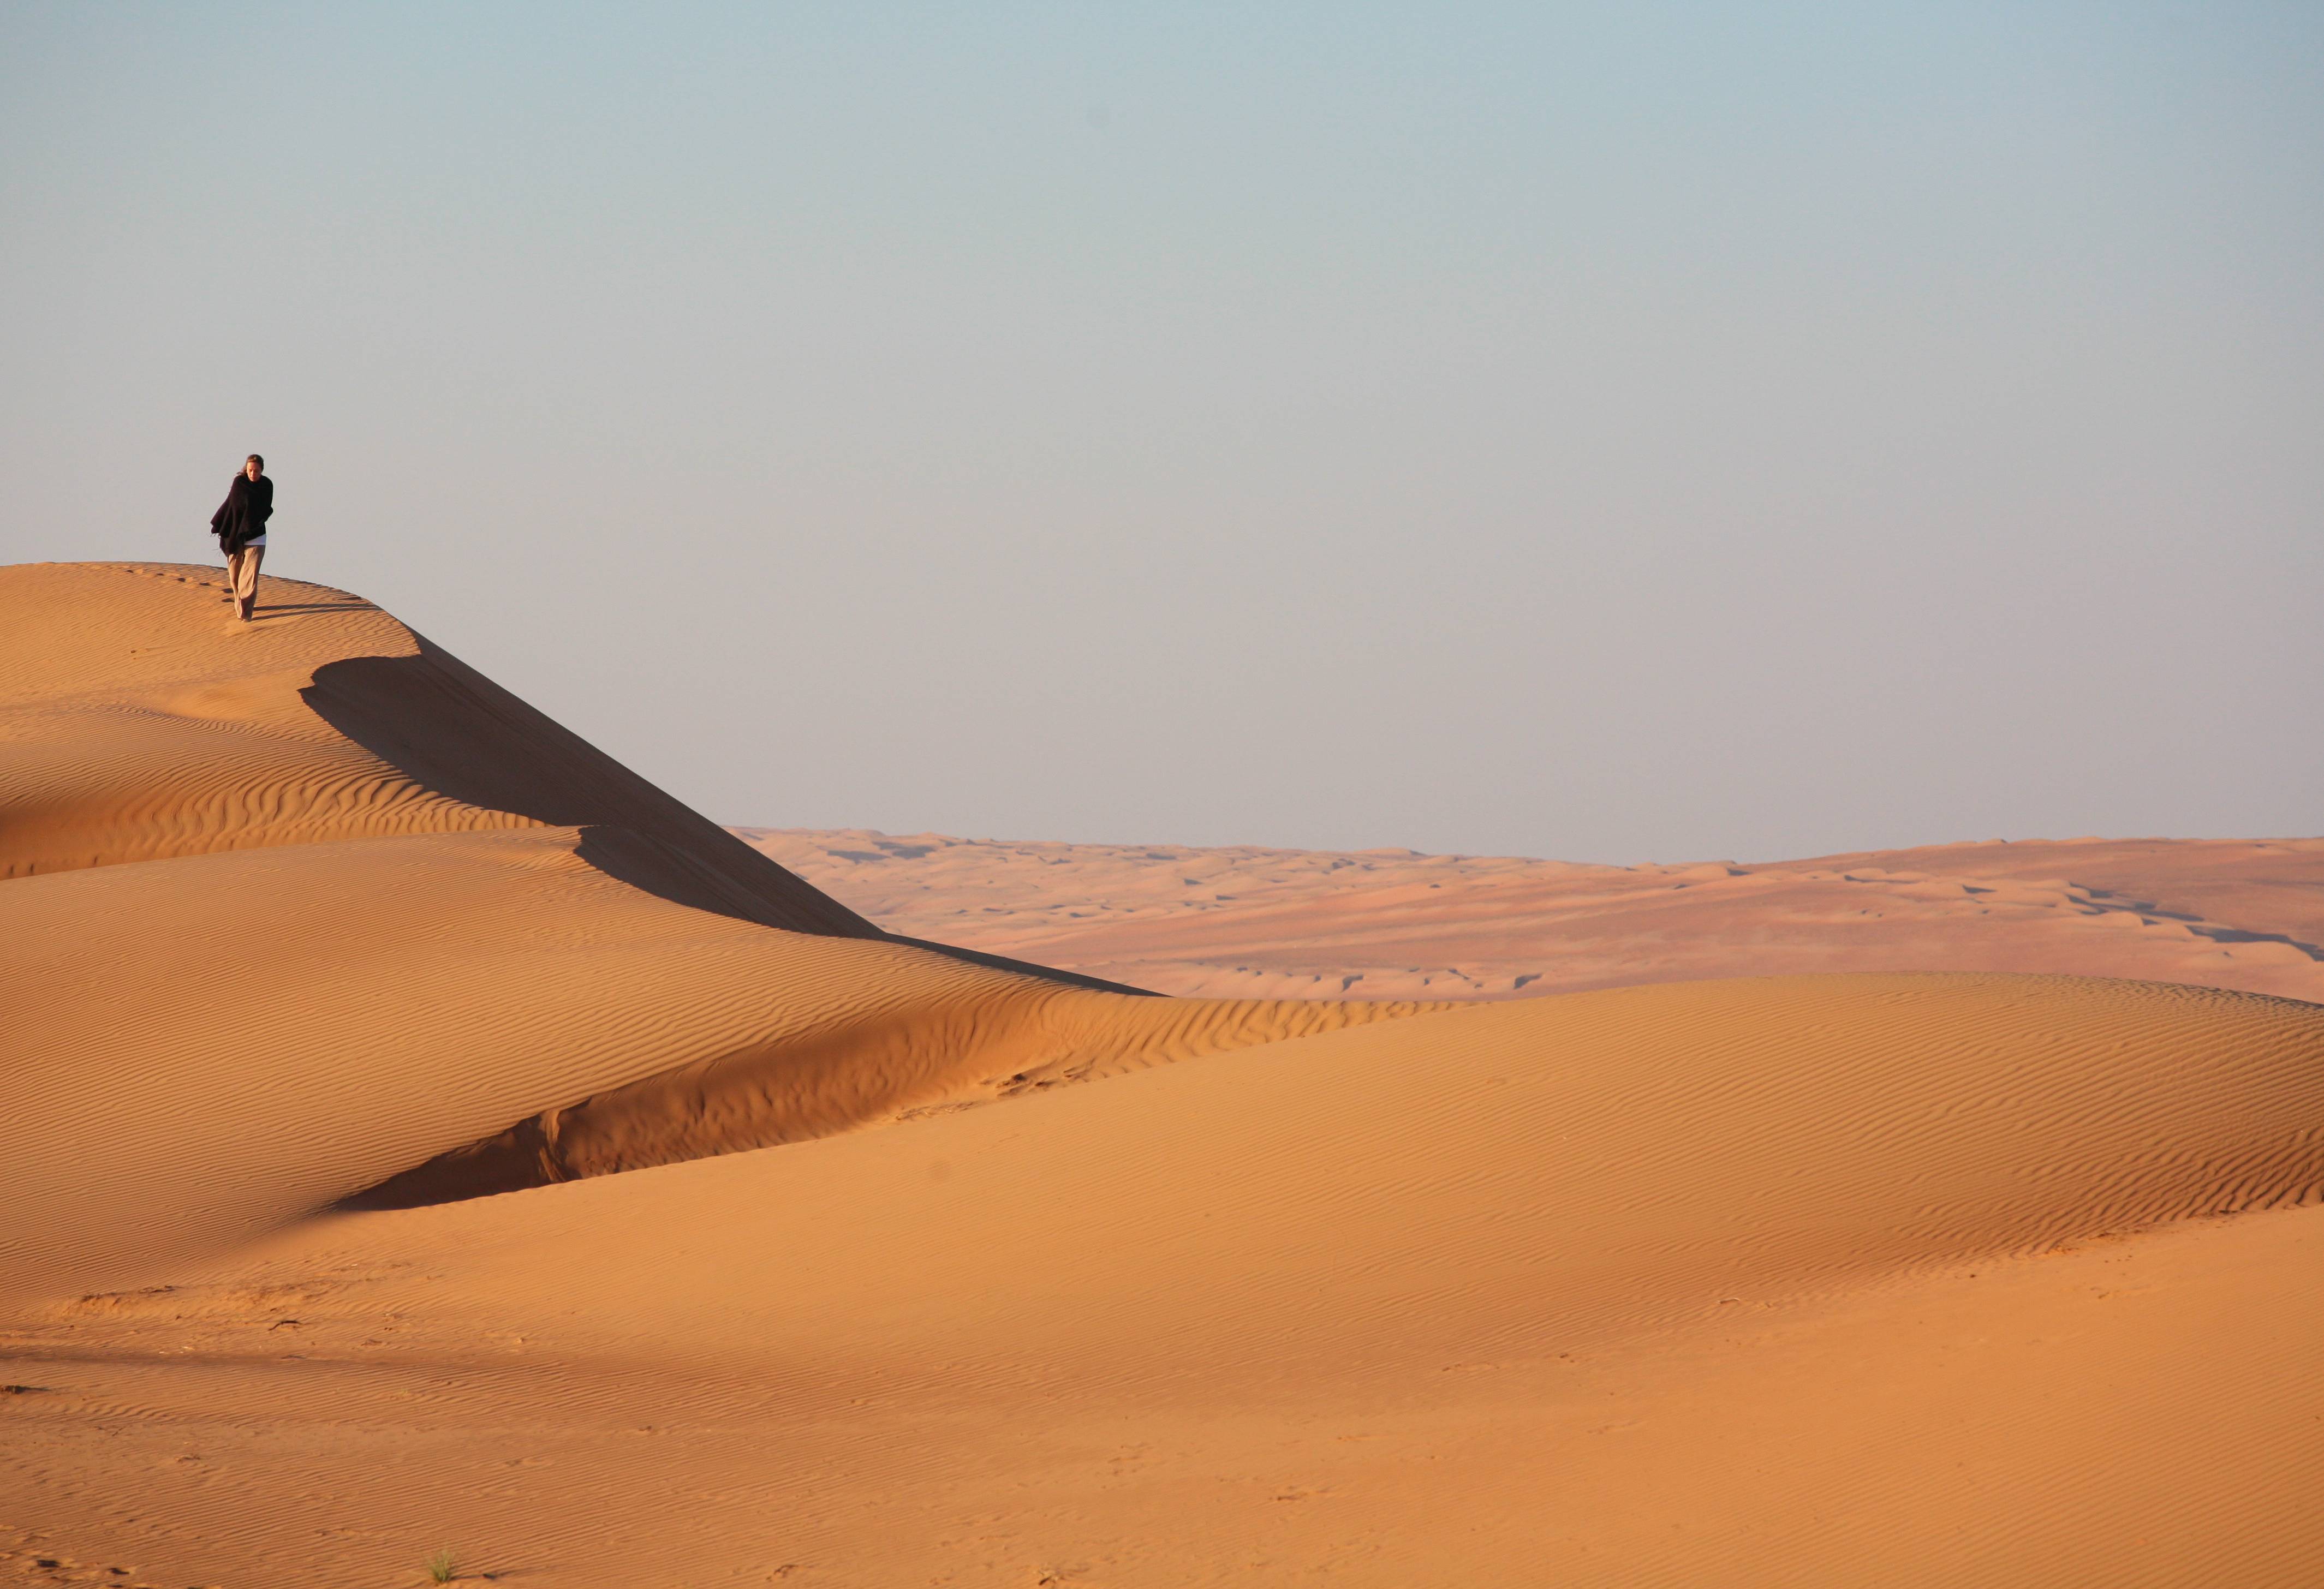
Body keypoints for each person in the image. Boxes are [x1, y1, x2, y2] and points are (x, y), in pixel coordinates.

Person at [210, 455, 274, 621]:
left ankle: (245, 614)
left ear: (262, 470)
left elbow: (266, 508)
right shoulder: (240, 483)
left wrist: (255, 521)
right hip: (235, 536)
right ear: (246, 469)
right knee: (235, 578)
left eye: (257, 471)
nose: (253, 474)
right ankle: (239, 602)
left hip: (257, 537)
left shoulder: (267, 485)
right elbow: (233, 507)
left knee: (249, 577)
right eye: (251, 470)